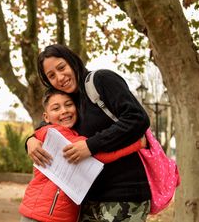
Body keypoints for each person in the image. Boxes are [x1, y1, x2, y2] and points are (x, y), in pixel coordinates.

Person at [26, 44, 151, 222]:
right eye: (51, 75)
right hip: (88, 199)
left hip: (124, 195)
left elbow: (138, 118)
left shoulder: (101, 80)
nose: (60, 77)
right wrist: (30, 140)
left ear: (72, 61)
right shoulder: (69, 101)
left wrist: (90, 146)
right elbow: (47, 125)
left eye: (62, 68)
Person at [19, 88, 145, 222]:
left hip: (49, 213)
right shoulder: (57, 134)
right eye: (56, 108)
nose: (64, 111)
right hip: (44, 215)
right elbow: (100, 155)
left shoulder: (56, 133)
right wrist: (137, 144)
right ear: (46, 117)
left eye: (68, 105)